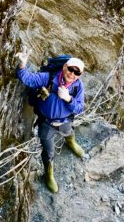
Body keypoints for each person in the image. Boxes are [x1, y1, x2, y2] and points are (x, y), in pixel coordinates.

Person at [16, 49, 85, 193]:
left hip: (65, 121)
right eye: (70, 69)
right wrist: (22, 65)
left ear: (80, 75)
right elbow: (28, 79)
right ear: (65, 67)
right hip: (46, 124)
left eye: (76, 72)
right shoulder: (48, 78)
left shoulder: (78, 86)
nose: (72, 74)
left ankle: (71, 142)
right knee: (48, 152)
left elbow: (79, 108)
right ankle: (49, 175)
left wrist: (68, 99)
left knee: (68, 132)